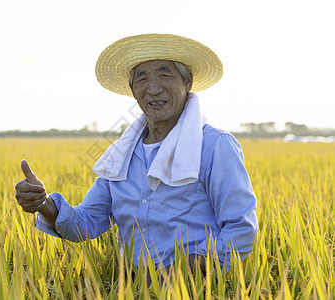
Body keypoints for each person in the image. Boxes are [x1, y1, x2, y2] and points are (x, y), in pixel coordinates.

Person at [15, 33, 258, 276]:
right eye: (142, 79)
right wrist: (43, 203)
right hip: (133, 287)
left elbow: (241, 228)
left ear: (187, 82)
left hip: (196, 288)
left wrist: (188, 271)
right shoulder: (121, 154)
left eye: (165, 75)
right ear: (133, 90)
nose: (153, 88)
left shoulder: (215, 145)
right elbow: (85, 223)